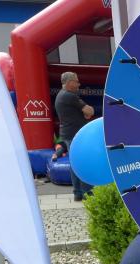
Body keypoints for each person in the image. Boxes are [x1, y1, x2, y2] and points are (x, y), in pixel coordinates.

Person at [54, 71, 94, 201]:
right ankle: (88, 193)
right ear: (70, 82)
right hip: (75, 135)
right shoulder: (70, 96)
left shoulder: (61, 95)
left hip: (69, 134)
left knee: (75, 163)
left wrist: (86, 113)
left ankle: (78, 193)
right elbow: (90, 111)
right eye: (76, 81)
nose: (79, 84)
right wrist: (87, 113)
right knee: (82, 162)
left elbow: (87, 113)